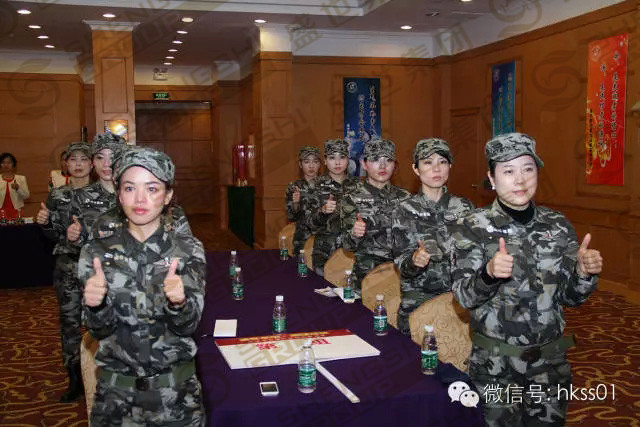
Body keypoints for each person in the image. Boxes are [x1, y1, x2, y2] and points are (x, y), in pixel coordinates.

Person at [450, 133, 603, 425]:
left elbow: (570, 298)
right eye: (508, 171)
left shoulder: (557, 225)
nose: (520, 180)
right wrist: (488, 273)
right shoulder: (471, 226)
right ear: (491, 178)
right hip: (496, 367)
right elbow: (463, 297)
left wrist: (583, 273)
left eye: (528, 169)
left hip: (549, 365)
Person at [79, 147, 206, 425]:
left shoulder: (187, 250)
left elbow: (188, 327)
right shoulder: (96, 252)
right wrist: (96, 306)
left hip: (177, 399)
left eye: (152, 188)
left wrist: (179, 303)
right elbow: (99, 331)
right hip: (115, 401)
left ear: (168, 195)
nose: (140, 199)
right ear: (118, 194)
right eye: (129, 188)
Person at [391, 138, 474, 335]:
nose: (436, 169)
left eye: (442, 162)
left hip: (456, 303)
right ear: (416, 169)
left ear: (450, 166)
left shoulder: (465, 207)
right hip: (418, 302)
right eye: (428, 162)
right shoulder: (404, 209)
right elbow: (401, 264)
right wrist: (414, 261)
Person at [36, 142, 92, 402]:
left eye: (84, 159)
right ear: (66, 164)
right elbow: (52, 235)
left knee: (100, 321)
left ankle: (100, 372)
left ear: (92, 164)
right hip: (67, 266)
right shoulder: (57, 195)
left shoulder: (105, 195)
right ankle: (74, 378)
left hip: (96, 269)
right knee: (70, 322)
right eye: (73, 159)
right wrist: (45, 223)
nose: (78, 164)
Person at [341, 138, 410, 291]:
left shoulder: (406, 198)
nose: (382, 166)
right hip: (366, 278)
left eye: (388, 160)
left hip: (400, 278)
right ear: (364, 164)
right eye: (375, 159)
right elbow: (347, 245)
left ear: (395, 165)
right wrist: (354, 234)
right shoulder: (352, 198)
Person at [305, 139, 360, 275]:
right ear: (325, 160)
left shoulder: (359, 185)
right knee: (322, 287)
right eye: (332, 158)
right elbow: (308, 223)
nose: (337, 162)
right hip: (325, 251)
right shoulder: (314, 185)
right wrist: (322, 211)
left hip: (353, 251)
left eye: (342, 157)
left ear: (348, 159)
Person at [67, 133, 125, 247]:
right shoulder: (80, 196)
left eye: (112, 157)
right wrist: (75, 237)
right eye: (100, 157)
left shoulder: (135, 194)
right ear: (93, 162)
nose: (106, 164)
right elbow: (78, 243)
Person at [285, 146, 321, 254]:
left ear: (320, 164)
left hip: (323, 238)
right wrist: (296, 203)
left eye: (315, 161)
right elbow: (291, 216)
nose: (311, 166)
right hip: (302, 237)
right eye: (306, 162)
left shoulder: (328, 186)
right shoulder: (294, 187)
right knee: (300, 264)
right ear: (300, 164)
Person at [0, 152, 30, 221]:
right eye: (3, 162)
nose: (6, 165)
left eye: (9, 162)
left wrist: (18, 188)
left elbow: (26, 196)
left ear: (13, 164)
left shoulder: (21, 178)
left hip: (17, 212)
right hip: (1, 212)